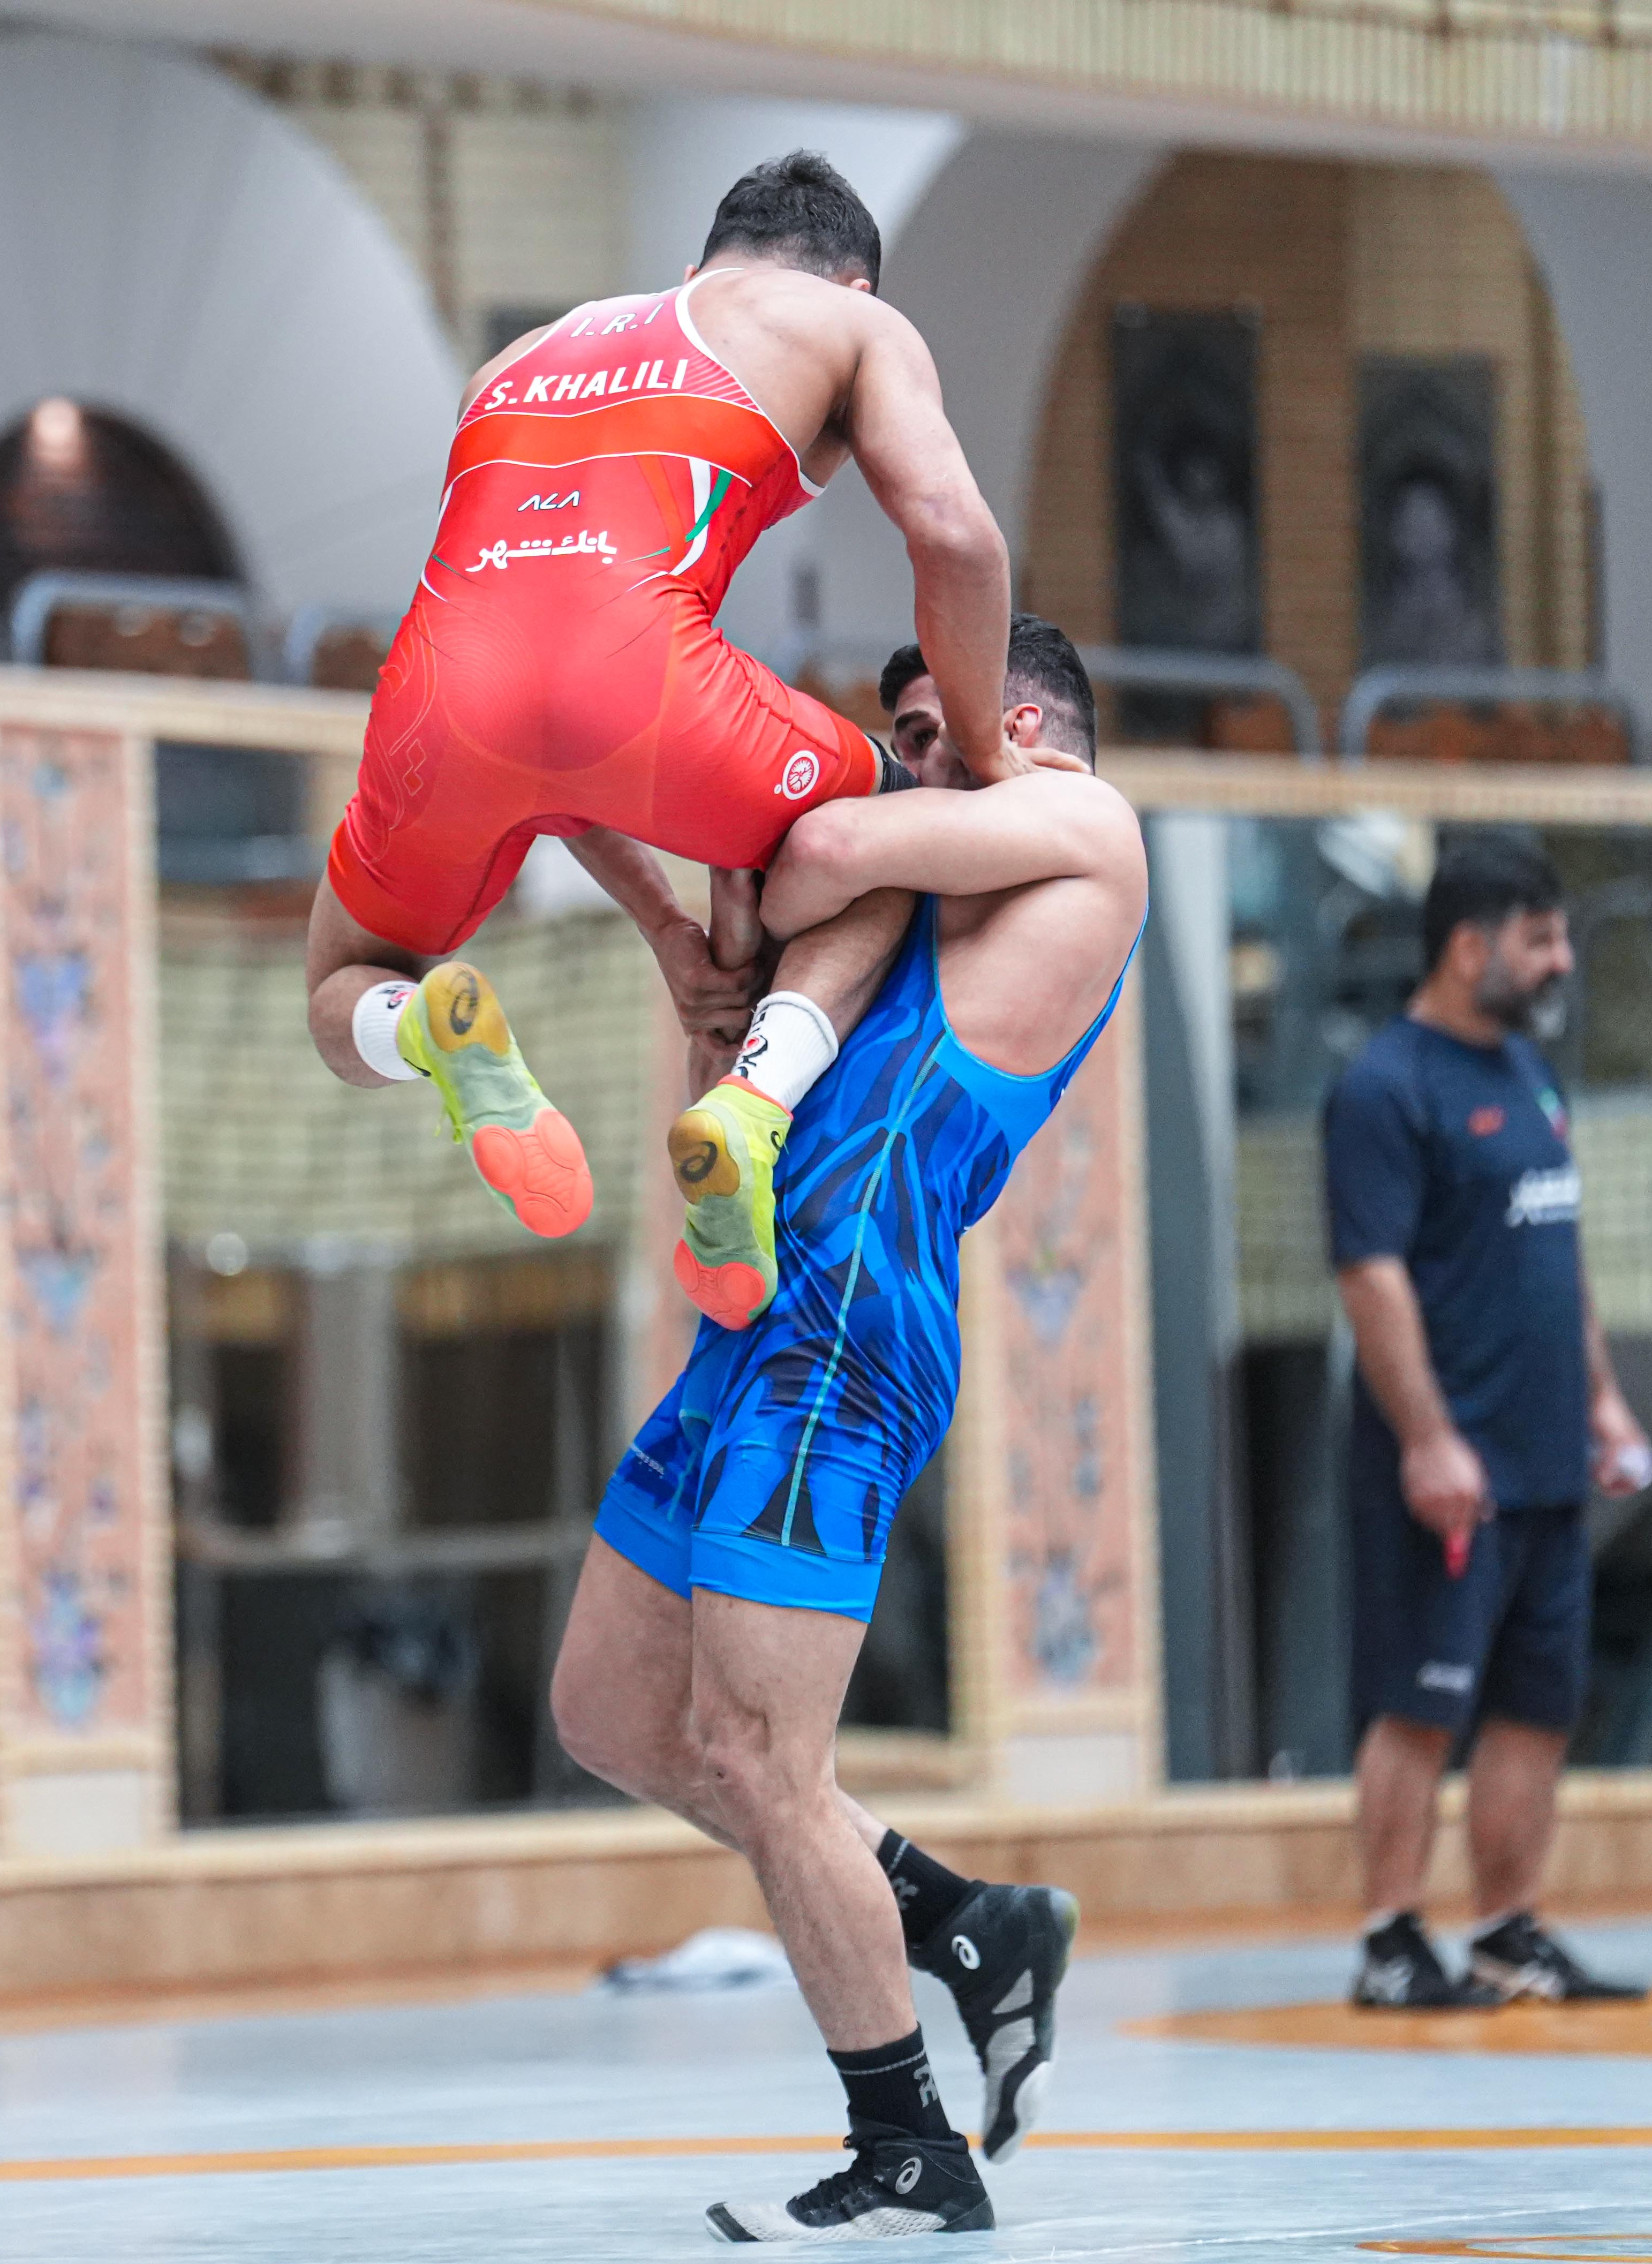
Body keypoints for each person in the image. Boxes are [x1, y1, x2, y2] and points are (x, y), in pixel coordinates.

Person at [547, 618, 1148, 2241]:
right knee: (610, 1708)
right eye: (901, 734)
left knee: (759, 1752)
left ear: (1024, 721)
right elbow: (744, 1038)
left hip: (847, 1338)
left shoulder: (1088, 828)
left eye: (930, 730)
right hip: (752, 1325)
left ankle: (908, 2148)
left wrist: (784, 830)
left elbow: (818, 844)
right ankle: (967, 1924)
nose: (905, 759)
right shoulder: (919, 910)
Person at [301, 153, 1016, 1328]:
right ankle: (752, 1103)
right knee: (889, 830)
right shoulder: (848, 322)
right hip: (646, 687)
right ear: (854, 285)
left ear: (695, 272)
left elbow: (543, 708)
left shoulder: (517, 359)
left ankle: (423, 1028)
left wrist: (668, 932)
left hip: (437, 700)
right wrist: (985, 761)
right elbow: (957, 536)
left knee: (342, 979)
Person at [1324, 833, 1652, 2010]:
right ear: (1470, 949)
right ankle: (1391, 1939)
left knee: (1536, 1707)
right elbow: (1371, 1276)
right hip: (1448, 1467)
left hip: (1548, 1459)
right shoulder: (1384, 1089)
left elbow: (1556, 1253)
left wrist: (1601, 1398)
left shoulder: (1529, 1076)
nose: (1561, 959)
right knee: (1420, 1707)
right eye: (1541, 938)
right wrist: (1427, 1437)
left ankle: (1509, 1932)